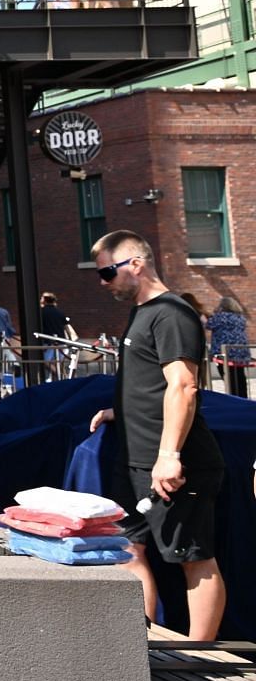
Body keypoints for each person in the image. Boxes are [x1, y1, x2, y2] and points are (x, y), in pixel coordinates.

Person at [87, 231, 225, 641]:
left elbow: (183, 386)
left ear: (136, 264)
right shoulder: (142, 313)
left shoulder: (172, 313)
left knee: (194, 557)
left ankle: (201, 662)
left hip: (175, 463)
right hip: (135, 458)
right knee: (129, 550)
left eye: (108, 272)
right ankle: (141, 648)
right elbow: (152, 384)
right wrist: (121, 412)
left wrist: (170, 455)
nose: (103, 282)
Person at [205, 293, 249, 398]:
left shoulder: (221, 317)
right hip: (240, 352)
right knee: (239, 376)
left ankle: (233, 398)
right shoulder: (241, 318)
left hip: (225, 353)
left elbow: (208, 325)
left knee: (228, 377)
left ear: (223, 306)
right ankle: (243, 398)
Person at [38, 291, 71, 378]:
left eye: (42, 298)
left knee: (45, 362)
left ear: (44, 300)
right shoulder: (60, 312)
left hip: (48, 342)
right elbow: (66, 327)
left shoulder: (41, 312)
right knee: (57, 364)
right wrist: (69, 340)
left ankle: (60, 376)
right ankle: (61, 378)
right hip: (61, 341)